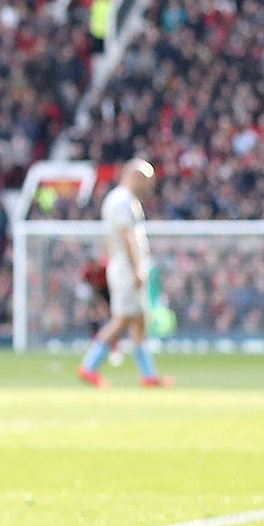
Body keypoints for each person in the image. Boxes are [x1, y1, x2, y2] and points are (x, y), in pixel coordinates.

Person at [79, 158, 174, 389]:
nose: (150, 186)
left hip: (124, 266)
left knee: (139, 319)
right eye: (148, 180)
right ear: (136, 177)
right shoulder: (122, 201)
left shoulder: (122, 200)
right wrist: (136, 268)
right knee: (122, 320)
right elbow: (126, 236)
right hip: (127, 269)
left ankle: (148, 375)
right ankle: (89, 366)